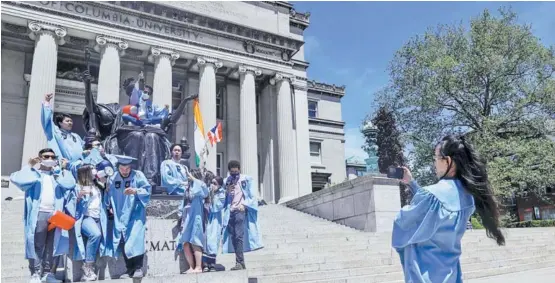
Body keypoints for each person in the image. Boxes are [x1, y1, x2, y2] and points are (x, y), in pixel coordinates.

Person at [392, 135, 505, 283]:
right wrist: (411, 183)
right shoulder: (468, 197)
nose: (434, 164)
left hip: (426, 276)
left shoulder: (431, 196)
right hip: (451, 274)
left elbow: (404, 224)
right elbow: (435, 207)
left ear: (448, 161)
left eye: (436, 159)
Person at [9, 148, 76, 283]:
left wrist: (64, 169)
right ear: (40, 158)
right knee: (36, 244)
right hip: (39, 214)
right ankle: (35, 273)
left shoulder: (57, 176)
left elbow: (70, 184)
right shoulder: (34, 175)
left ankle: (47, 273)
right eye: (46, 156)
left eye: (52, 157)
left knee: (52, 245)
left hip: (55, 215)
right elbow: (18, 180)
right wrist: (29, 165)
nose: (50, 159)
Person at [104, 155, 151, 279]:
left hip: (135, 214)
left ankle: (138, 268)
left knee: (135, 240)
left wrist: (136, 191)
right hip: (120, 215)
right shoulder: (113, 177)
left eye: (127, 168)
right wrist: (108, 205)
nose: (125, 171)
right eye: (122, 168)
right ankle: (129, 269)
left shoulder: (138, 175)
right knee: (124, 240)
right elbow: (108, 193)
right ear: (118, 167)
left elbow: (147, 190)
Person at [70, 153, 114, 281]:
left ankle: (89, 272)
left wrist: (104, 184)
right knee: (95, 234)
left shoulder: (98, 185)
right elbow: (72, 203)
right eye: (92, 170)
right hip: (85, 217)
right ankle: (87, 267)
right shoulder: (79, 186)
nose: (95, 172)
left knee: (100, 241)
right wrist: (78, 197)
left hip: (98, 217)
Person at [221, 160, 263, 271]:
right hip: (229, 211)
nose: (234, 175)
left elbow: (253, 196)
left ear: (239, 170)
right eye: (232, 173)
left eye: (236, 172)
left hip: (240, 210)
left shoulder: (246, 179)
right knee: (233, 236)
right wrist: (226, 191)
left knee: (238, 236)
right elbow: (221, 200)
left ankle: (239, 262)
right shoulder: (226, 181)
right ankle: (240, 262)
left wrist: (244, 205)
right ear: (229, 171)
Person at [176, 169, 210, 274]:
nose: (188, 177)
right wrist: (180, 214)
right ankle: (191, 266)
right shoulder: (187, 188)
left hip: (196, 217)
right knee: (185, 242)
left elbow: (205, 191)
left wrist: (195, 179)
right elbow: (183, 201)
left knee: (195, 241)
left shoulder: (200, 187)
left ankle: (199, 267)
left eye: (190, 175)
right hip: (187, 217)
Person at [41, 93, 85, 162]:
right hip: (63, 167)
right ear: (60, 123)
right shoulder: (55, 133)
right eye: (67, 121)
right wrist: (47, 102)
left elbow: (84, 148)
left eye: (71, 121)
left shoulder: (76, 136)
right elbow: (47, 121)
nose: (70, 123)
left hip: (79, 168)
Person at [202, 176, 226, 272]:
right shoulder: (207, 191)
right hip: (206, 218)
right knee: (205, 241)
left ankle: (212, 263)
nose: (212, 185)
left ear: (219, 185)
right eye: (212, 182)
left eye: (215, 183)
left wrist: (211, 195)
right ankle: (204, 264)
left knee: (212, 240)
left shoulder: (222, 194)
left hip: (215, 220)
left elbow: (216, 207)